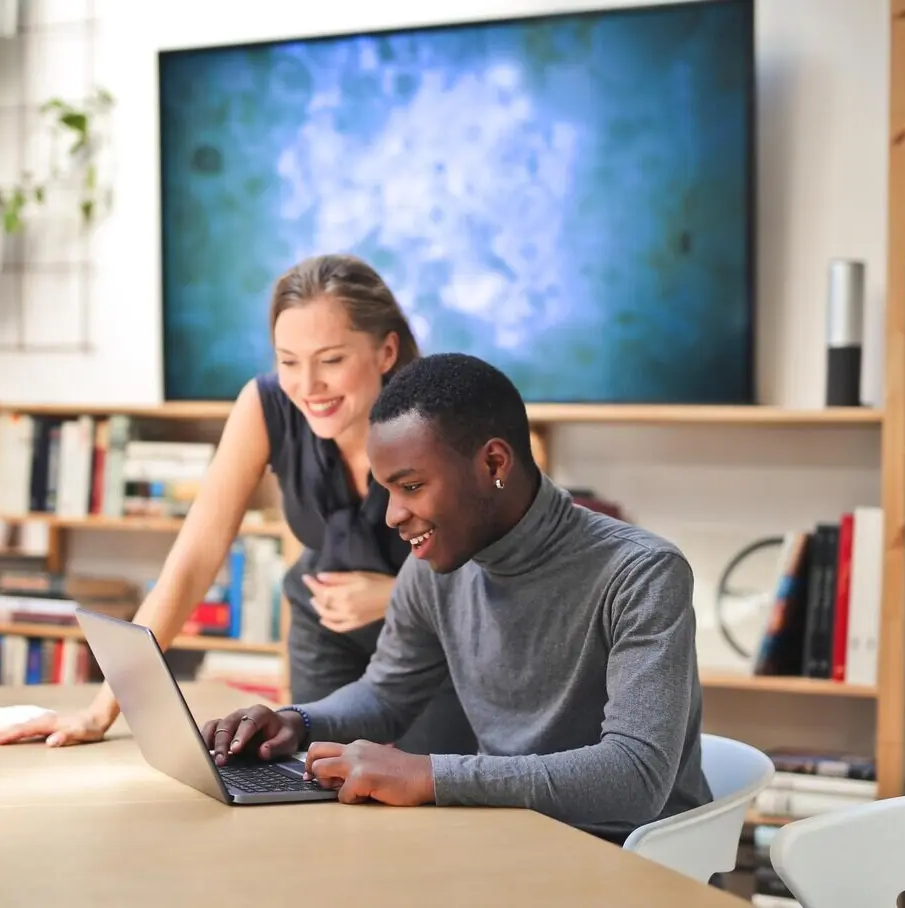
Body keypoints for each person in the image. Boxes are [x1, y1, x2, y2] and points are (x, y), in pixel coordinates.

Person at [200, 352, 713, 846]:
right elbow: (384, 695)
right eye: (388, 492)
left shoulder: (642, 573)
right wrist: (295, 723)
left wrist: (428, 775)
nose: (393, 516)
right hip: (509, 838)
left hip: (628, 858)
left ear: (494, 462)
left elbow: (635, 777)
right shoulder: (435, 567)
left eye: (413, 486)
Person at [0, 254, 476, 755]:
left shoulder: (436, 417)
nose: (308, 386)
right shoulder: (266, 407)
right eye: (288, 362)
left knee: (428, 793)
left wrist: (396, 597)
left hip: (438, 642)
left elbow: (497, 578)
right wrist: (99, 711)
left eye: (331, 360)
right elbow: (194, 560)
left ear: (386, 351)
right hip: (327, 629)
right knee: (324, 782)